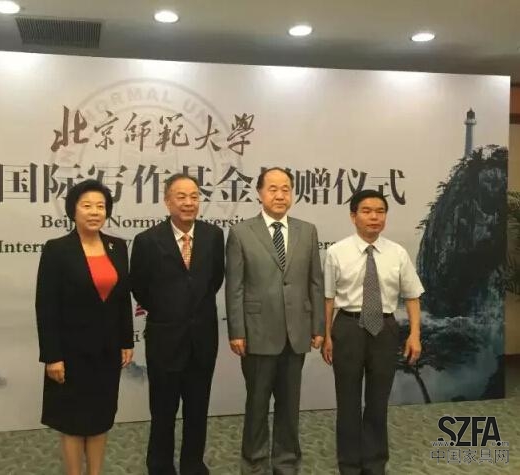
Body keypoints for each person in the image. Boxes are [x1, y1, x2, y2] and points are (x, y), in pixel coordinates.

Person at [225, 167, 325, 475]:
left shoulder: (307, 231)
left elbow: (315, 282)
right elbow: (235, 286)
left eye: (286, 189)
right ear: (259, 193)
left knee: (289, 405)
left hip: (296, 332)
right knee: (257, 405)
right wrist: (237, 331)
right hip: (257, 333)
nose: (280, 195)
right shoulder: (241, 232)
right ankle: (254, 463)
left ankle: (286, 462)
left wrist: (318, 326)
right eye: (273, 189)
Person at [35, 179, 134, 475]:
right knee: (73, 422)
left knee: (100, 420)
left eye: (101, 206)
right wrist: (52, 356)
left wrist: (126, 341)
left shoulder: (117, 247)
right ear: (73, 210)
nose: (94, 212)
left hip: (107, 351)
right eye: (87, 206)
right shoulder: (57, 249)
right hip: (70, 353)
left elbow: (122, 299)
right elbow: (46, 306)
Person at [321, 189, 423, 475]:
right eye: (367, 211)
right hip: (348, 327)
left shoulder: (397, 253)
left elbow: (412, 296)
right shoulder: (337, 252)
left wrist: (415, 334)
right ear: (353, 216)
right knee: (348, 401)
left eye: (380, 211)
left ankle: (375, 463)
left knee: (378, 400)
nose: (374, 217)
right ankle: (350, 465)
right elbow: (328, 298)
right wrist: (326, 335)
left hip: (385, 329)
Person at [130, 173, 225, 475]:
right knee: (163, 410)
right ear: (167, 201)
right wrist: (170, 309)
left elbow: (214, 279)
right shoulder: (147, 240)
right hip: (165, 339)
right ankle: (160, 466)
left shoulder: (213, 236)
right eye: (181, 196)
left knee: (198, 409)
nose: (188, 202)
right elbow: (139, 287)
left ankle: (193, 464)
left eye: (194, 196)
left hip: (202, 339)